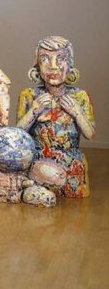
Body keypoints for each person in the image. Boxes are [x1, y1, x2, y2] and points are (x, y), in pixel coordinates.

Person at [17, 36, 95, 198]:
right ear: (37, 66)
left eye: (61, 59)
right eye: (45, 59)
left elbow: (90, 134)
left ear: (70, 65)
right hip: (39, 163)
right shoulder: (29, 95)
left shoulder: (80, 96)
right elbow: (17, 135)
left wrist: (76, 112)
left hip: (71, 162)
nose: (53, 66)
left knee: (75, 198)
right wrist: (34, 111)